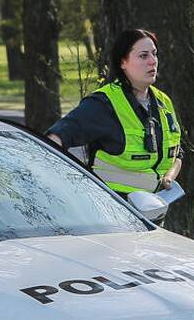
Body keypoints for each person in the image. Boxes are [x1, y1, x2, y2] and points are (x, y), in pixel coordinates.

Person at [47, 29, 182, 195]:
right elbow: (56, 137)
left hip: (154, 208)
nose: (152, 61)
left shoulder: (163, 101)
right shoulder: (104, 103)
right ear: (122, 62)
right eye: (143, 55)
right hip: (111, 212)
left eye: (154, 54)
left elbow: (177, 151)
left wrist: (169, 177)